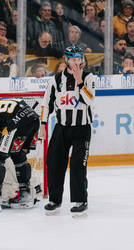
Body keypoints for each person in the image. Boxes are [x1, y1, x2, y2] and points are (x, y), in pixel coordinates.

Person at [39, 46, 95, 217]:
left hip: (82, 128)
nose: (76, 62)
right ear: (66, 60)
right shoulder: (55, 80)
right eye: (73, 59)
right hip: (61, 128)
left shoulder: (88, 77)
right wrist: (42, 125)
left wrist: (79, 81)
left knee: (78, 165)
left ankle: (81, 200)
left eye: (79, 59)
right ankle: (55, 200)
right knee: (54, 163)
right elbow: (46, 103)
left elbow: (89, 100)